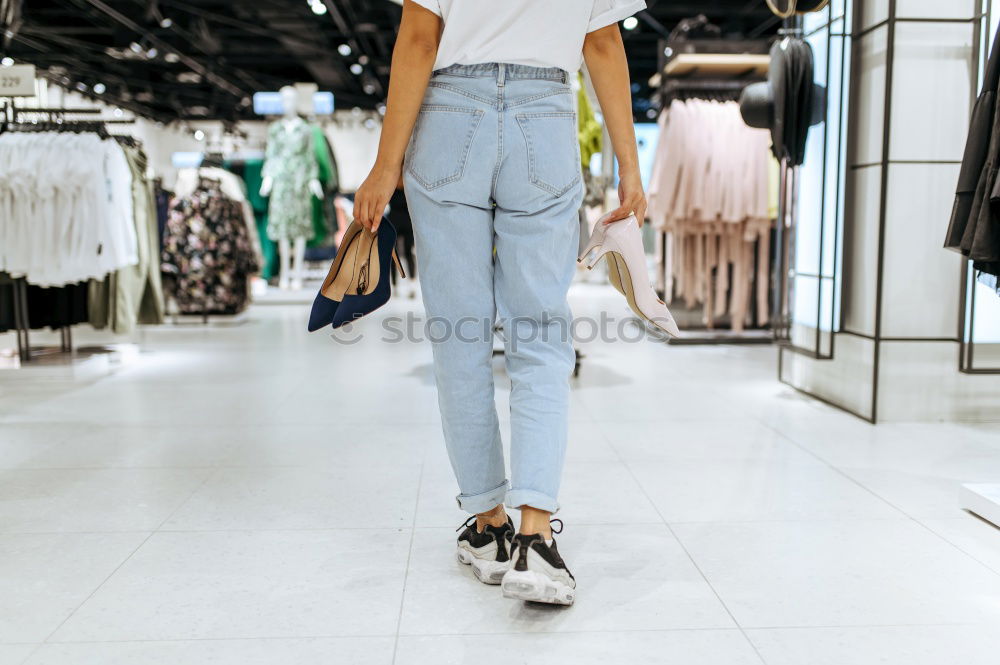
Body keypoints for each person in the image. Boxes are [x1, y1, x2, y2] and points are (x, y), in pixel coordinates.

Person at [353, 0, 648, 606]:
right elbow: (603, 46)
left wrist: (386, 167)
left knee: (460, 337)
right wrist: (630, 166)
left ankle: (488, 527)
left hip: (449, 115)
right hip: (543, 115)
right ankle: (535, 538)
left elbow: (417, 38)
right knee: (540, 336)